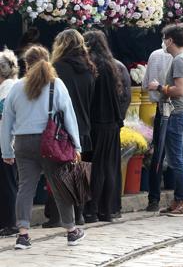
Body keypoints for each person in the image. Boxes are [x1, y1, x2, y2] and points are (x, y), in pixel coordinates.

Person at [1, 45, 85, 249]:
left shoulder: (17, 87)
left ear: (26, 64)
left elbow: (7, 121)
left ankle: (23, 234)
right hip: (51, 142)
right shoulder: (56, 85)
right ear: (48, 61)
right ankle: (71, 231)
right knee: (60, 186)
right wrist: (76, 145)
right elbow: (69, 116)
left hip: (22, 143)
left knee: (25, 188)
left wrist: (6, 150)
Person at [43, 29, 96, 228]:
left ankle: (57, 216)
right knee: (79, 173)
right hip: (84, 125)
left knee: (57, 173)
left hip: (61, 127)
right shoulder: (89, 68)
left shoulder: (56, 68)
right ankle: (79, 215)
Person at [149, 24, 183, 217]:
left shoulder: (179, 60)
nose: (163, 43)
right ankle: (179, 199)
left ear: (169, 40)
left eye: (164, 39)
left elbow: (180, 89)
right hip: (181, 113)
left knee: (177, 160)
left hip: (177, 114)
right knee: (177, 158)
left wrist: (160, 87)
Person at [83, 30, 124, 223]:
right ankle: (108, 210)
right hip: (112, 123)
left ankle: (91, 210)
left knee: (94, 167)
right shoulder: (111, 65)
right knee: (109, 167)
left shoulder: (91, 65)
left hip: (96, 122)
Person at [143, 44, 173, 212]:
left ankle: (153, 199)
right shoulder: (182, 57)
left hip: (160, 109)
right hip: (178, 107)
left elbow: (146, 84)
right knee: (181, 153)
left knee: (158, 154)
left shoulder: (154, 54)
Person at [0, 48, 19, 237]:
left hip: (7, 142)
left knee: (7, 183)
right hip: (6, 140)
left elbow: (4, 116)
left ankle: (10, 223)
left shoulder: (8, 88)